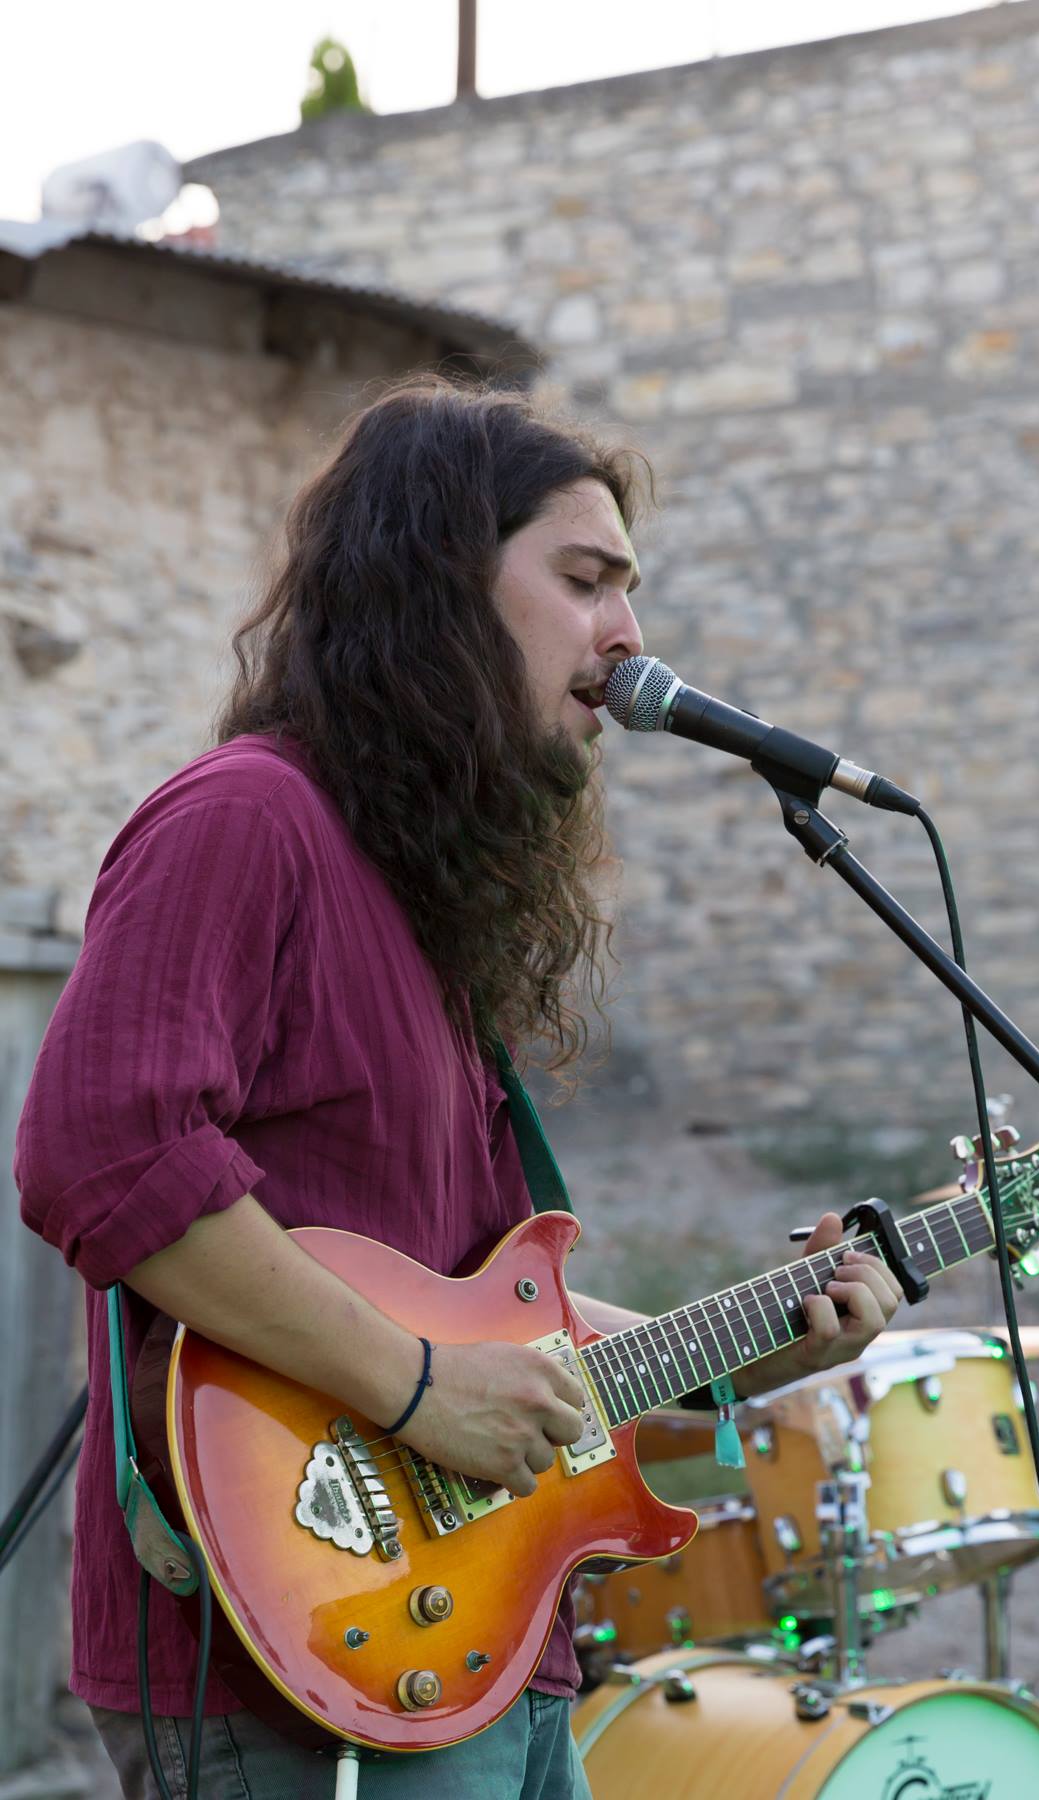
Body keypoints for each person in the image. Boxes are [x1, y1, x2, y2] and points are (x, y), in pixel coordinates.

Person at [16, 375, 901, 1800]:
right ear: (435, 587)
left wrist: (755, 1352)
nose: (628, 635)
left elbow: (491, 1324)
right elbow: (103, 1152)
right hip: (294, 1664)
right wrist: (419, 1388)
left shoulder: (424, 904)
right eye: (586, 580)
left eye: (629, 589)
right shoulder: (246, 819)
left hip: (482, 1654)